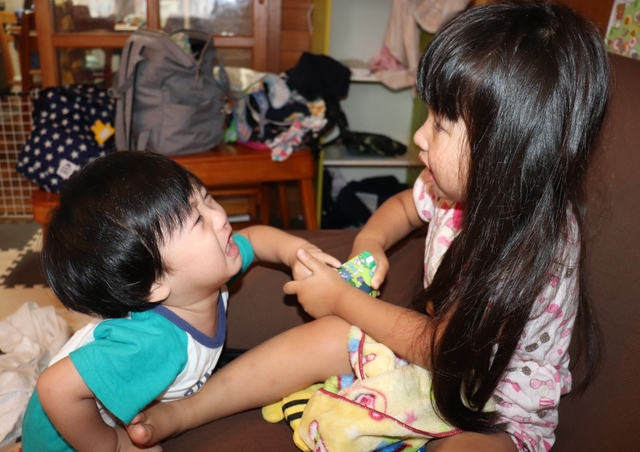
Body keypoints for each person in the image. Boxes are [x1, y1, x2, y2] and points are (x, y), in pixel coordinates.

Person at [128, 1, 609, 451]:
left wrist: (340, 298)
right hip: (424, 360)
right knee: (327, 335)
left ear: (507, 151)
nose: (419, 135)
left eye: (440, 125)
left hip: (496, 407)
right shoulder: (454, 187)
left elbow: (442, 348)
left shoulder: (534, 249)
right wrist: (371, 241)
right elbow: (403, 207)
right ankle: (188, 410)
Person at [21, 150, 341, 452]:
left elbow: (255, 239)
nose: (219, 217)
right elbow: (55, 388)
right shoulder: (153, 343)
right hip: (68, 440)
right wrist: (112, 444)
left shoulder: (196, 278)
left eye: (206, 197)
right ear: (154, 284)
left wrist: (299, 254)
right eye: (198, 221)